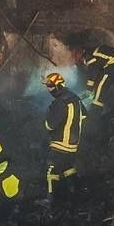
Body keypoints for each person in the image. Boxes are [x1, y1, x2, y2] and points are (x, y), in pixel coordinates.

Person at [43, 72, 85, 206]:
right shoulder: (75, 98)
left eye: (50, 86)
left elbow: (50, 125)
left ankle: (50, 200)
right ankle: (77, 194)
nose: (48, 89)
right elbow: (84, 116)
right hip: (73, 143)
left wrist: (46, 119)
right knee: (68, 167)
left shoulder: (60, 102)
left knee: (51, 169)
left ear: (59, 86)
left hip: (60, 143)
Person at [73, 38, 114, 119]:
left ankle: (94, 114)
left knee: (101, 87)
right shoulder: (95, 52)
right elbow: (98, 70)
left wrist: (89, 89)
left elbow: (93, 72)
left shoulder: (88, 56)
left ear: (80, 55)